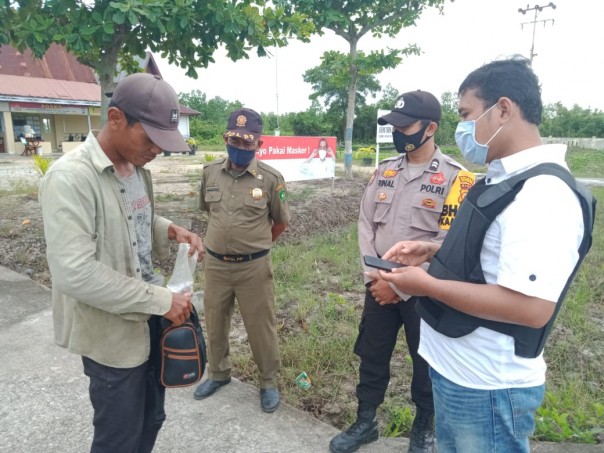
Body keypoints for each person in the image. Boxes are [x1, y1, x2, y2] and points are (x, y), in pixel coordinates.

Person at [378, 57, 596, 452]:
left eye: (466, 114)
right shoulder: (503, 178)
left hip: (486, 387)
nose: (462, 127)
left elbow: (531, 308)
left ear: (504, 109)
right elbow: (494, 253)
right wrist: (432, 248)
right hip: (460, 372)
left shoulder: (543, 195)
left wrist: (427, 285)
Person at [39, 73, 204, 452]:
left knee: (151, 419)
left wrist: (169, 230)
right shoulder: (71, 179)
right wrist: (162, 300)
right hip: (111, 337)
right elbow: (74, 273)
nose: (157, 151)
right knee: (119, 437)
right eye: (150, 139)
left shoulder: (136, 171)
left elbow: (133, 221)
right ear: (115, 119)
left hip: (148, 322)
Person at [329, 90, 475, 453]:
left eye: (404, 126)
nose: (398, 133)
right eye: (394, 126)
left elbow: (449, 246)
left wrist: (403, 287)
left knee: (425, 363)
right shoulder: (385, 171)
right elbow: (366, 225)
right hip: (377, 284)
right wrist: (374, 278)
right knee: (371, 354)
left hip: (424, 292)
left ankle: (423, 431)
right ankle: (365, 422)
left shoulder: (457, 180)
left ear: (430, 128)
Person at [193, 107, 290, 413]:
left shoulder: (272, 179)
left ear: (259, 145)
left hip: (253, 267)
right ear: (226, 138)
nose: (240, 148)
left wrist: (256, 247)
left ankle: (269, 382)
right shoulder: (209, 173)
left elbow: (280, 222)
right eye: (235, 140)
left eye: (247, 143)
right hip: (216, 265)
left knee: (260, 327)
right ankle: (219, 374)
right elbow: (209, 212)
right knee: (215, 321)